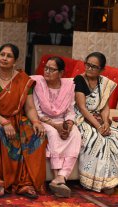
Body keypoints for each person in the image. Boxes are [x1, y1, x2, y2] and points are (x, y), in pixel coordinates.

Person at [0, 43, 46, 199]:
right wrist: (5, 122)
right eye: (2, 54)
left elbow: (30, 107)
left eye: (9, 56)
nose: (4, 58)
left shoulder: (23, 80)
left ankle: (26, 183)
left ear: (15, 61)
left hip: (18, 118)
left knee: (36, 133)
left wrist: (37, 122)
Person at [74, 52, 118, 194]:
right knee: (95, 139)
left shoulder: (104, 83)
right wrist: (98, 127)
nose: (89, 68)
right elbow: (82, 108)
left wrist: (106, 124)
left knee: (116, 138)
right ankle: (92, 181)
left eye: (94, 67)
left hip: (98, 118)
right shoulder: (79, 79)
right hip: (81, 118)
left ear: (102, 70)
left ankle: (109, 182)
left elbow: (104, 107)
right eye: (87, 64)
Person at [31, 56, 81, 198]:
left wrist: (69, 125)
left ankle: (62, 177)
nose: (47, 71)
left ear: (61, 73)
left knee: (75, 134)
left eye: (52, 69)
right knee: (53, 134)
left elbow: (70, 110)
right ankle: (56, 176)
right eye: (46, 68)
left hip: (63, 120)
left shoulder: (69, 86)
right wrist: (56, 126)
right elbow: (37, 111)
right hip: (45, 121)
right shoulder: (38, 84)